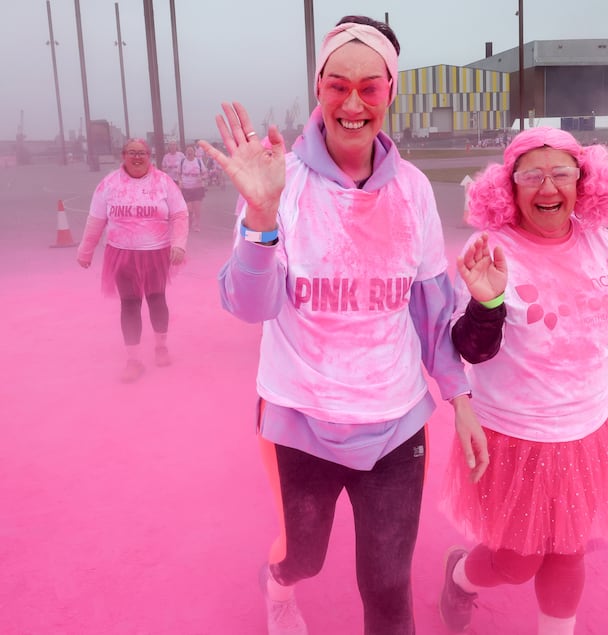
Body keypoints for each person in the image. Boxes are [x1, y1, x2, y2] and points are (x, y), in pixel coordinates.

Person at [200, 15, 488, 635]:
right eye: (337, 86)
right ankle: (278, 585)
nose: (352, 104)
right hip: (301, 419)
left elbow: (432, 311)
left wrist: (459, 398)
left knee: (388, 585)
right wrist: (261, 215)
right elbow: (251, 305)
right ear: (319, 91)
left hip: (395, 423)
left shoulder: (412, 191)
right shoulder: (281, 186)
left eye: (369, 87)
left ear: (390, 90)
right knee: (303, 556)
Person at [437, 127, 608, 634]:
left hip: (585, 435)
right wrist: (487, 302)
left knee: (567, 553)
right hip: (512, 437)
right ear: (508, 188)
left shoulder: (606, 249)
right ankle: (460, 575)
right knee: (516, 562)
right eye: (531, 176)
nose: (548, 188)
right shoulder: (491, 250)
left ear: (584, 182)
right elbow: (471, 349)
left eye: (561, 173)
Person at [76, 138, 188, 382]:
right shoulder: (108, 184)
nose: (137, 157)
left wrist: (179, 244)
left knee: (157, 298)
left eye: (142, 153)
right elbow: (95, 219)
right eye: (132, 153)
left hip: (156, 252)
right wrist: (86, 250)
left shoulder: (164, 183)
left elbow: (180, 214)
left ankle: (160, 346)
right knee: (129, 304)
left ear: (149, 156)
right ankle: (133, 360)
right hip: (121, 254)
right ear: (123, 156)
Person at [178, 144, 207, 231]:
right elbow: (178, 174)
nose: (189, 152)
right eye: (188, 151)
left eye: (191, 151)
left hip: (197, 188)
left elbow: (205, 173)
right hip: (186, 188)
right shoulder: (182, 161)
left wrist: (201, 178)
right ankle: (190, 220)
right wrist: (180, 182)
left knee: (197, 209)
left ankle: (197, 225)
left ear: (194, 152)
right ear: (186, 152)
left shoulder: (198, 161)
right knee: (189, 209)